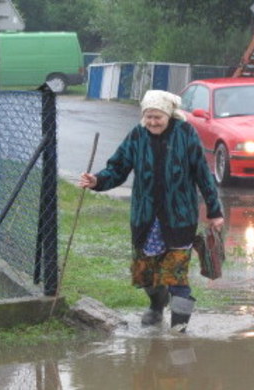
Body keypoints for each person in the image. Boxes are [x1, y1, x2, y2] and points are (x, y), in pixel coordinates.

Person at [79, 89, 224, 333]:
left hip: (179, 219)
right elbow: (117, 168)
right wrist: (97, 181)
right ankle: (157, 305)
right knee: (147, 274)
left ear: (168, 115)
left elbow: (203, 174)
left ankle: (179, 330)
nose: (152, 122)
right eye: (148, 117)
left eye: (158, 117)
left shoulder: (186, 134)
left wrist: (215, 211)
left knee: (176, 276)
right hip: (145, 219)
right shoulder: (137, 136)